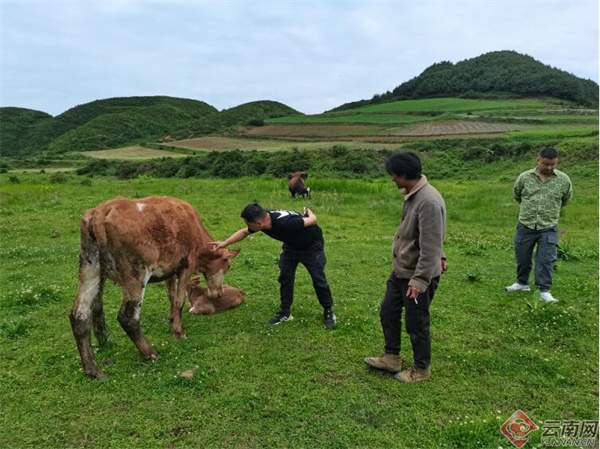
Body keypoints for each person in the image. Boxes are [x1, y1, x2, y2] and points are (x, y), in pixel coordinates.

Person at [365, 151, 447, 383]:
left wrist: (420, 280)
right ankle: (391, 358)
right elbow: (429, 236)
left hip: (416, 275)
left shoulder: (428, 201)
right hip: (401, 270)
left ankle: (421, 369)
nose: (391, 179)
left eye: (393, 175)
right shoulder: (413, 194)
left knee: (416, 322)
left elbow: (431, 244)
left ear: (402, 175)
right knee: (388, 312)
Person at [214, 203, 336, 328]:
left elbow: (313, 220)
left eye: (249, 224)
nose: (247, 227)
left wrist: (310, 213)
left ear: (259, 224)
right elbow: (244, 232)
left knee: (318, 278)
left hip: (311, 247)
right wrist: (224, 243)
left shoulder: (287, 223)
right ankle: (285, 312)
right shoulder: (264, 220)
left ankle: (328, 311)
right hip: (291, 246)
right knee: (285, 277)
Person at [505, 147, 573, 303]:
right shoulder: (524, 177)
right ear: (538, 160)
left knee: (545, 259)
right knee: (522, 256)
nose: (549, 167)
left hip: (548, 226)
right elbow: (517, 195)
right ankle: (522, 283)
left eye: (553, 164)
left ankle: (544, 290)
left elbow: (566, 199)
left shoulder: (563, 180)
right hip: (526, 225)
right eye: (545, 164)